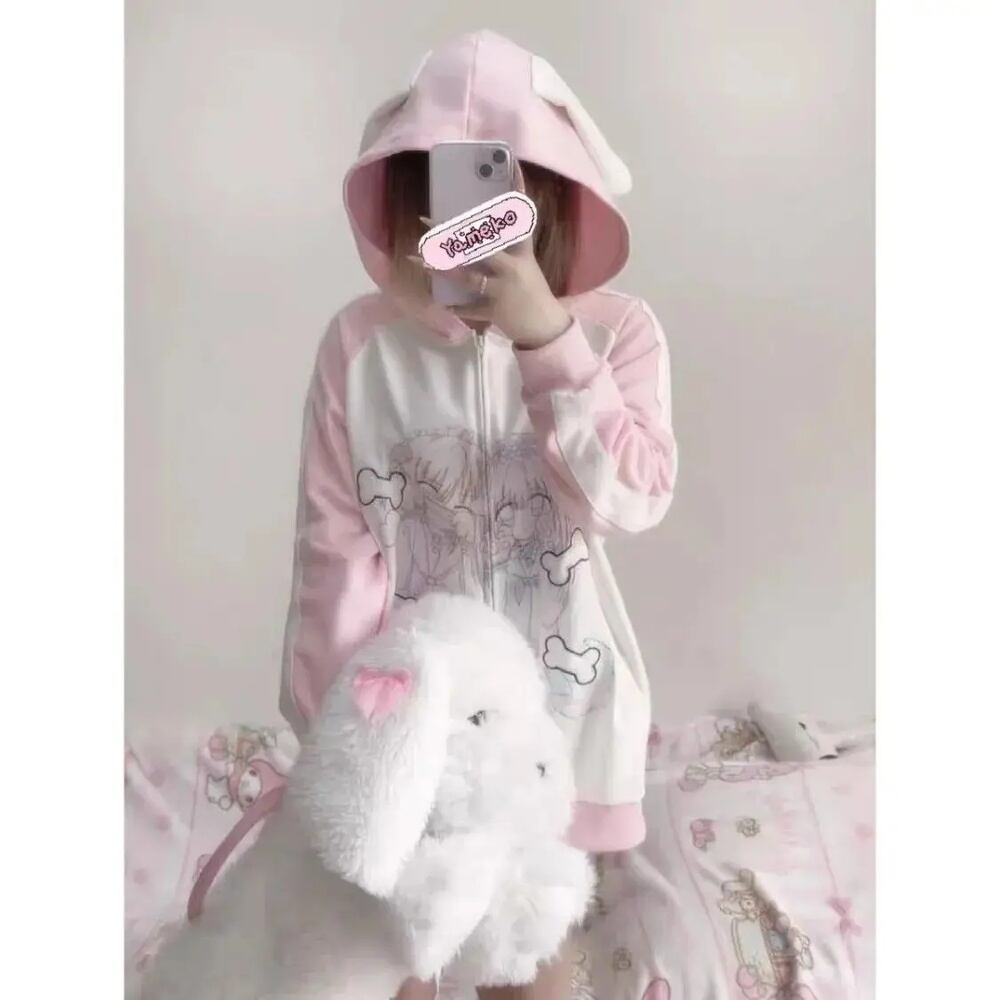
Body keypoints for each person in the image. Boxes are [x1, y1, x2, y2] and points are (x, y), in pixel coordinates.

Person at [280, 30, 678, 1000]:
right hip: (419, 723)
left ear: (550, 200)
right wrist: (333, 730)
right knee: (397, 952)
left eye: (495, 197)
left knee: (530, 957)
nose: (461, 227)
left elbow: (632, 498)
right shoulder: (361, 346)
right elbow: (334, 546)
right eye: (435, 193)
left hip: (565, 716)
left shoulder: (616, 333)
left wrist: (549, 341)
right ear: (401, 202)